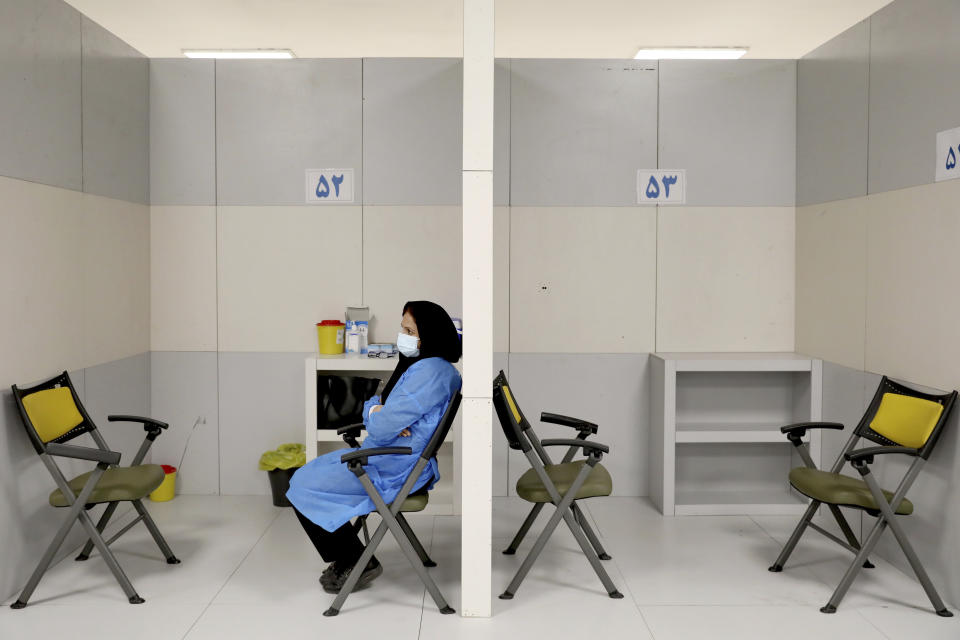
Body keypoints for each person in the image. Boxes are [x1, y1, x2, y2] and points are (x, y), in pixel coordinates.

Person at [287, 300, 462, 594]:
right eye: (402, 327)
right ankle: (352, 557)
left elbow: (380, 426)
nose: (402, 335)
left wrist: (379, 416)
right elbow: (376, 404)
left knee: (302, 483)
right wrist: (378, 412)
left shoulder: (429, 373)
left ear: (429, 334)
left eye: (410, 329)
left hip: (395, 465)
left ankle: (355, 560)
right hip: (389, 457)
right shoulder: (425, 367)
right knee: (306, 476)